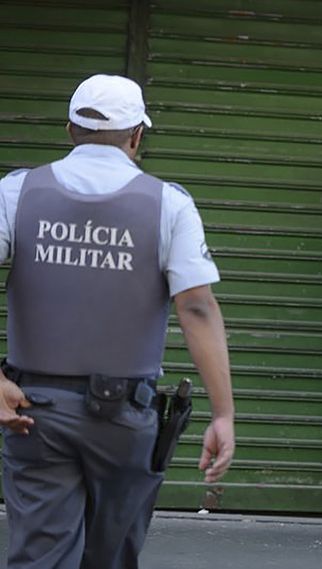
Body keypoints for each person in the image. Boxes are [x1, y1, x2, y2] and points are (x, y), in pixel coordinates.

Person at [0, 74, 235, 569]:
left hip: (32, 413)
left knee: (40, 556)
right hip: (126, 417)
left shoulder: (17, 193)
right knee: (111, 555)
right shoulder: (168, 203)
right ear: (136, 137)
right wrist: (223, 414)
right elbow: (196, 307)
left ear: (70, 130)